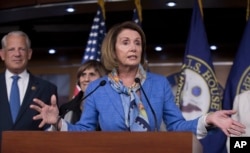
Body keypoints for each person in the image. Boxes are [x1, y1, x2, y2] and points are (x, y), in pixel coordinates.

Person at [30, 21, 245, 138]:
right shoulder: (98, 87)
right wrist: (58, 122)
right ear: (113, 49)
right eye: (125, 42)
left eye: (137, 43)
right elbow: (85, 130)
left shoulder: (158, 84)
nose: (133, 47)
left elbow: (177, 125)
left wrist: (207, 119)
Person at [0, 31, 58, 140]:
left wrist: (54, 125)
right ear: (2, 54)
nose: (17, 54)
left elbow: (50, 131)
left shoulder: (47, 89)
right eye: (11, 49)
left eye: (22, 49)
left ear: (29, 53)